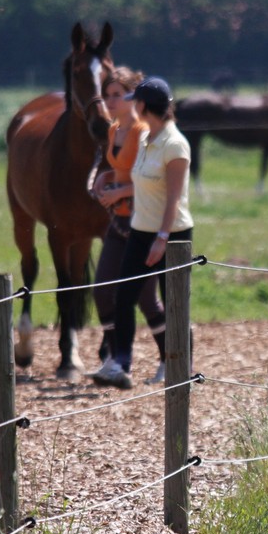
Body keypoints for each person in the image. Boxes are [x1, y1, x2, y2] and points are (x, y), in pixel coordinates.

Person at [93, 76, 193, 390]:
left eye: (134, 100)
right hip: (140, 230)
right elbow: (137, 178)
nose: (131, 106)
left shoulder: (175, 145)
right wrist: (108, 177)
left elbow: (173, 199)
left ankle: (182, 365)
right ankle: (120, 363)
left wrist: (162, 238)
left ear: (143, 106)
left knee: (174, 301)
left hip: (172, 234)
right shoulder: (147, 138)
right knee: (124, 297)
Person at [89, 66, 167, 385]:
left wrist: (119, 191)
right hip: (119, 220)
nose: (109, 101)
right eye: (106, 95)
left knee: (146, 299)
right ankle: (115, 357)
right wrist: (105, 178)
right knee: (101, 290)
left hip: (143, 221)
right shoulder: (114, 130)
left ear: (133, 97)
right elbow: (121, 168)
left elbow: (153, 180)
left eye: (117, 95)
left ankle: (171, 358)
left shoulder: (142, 131)